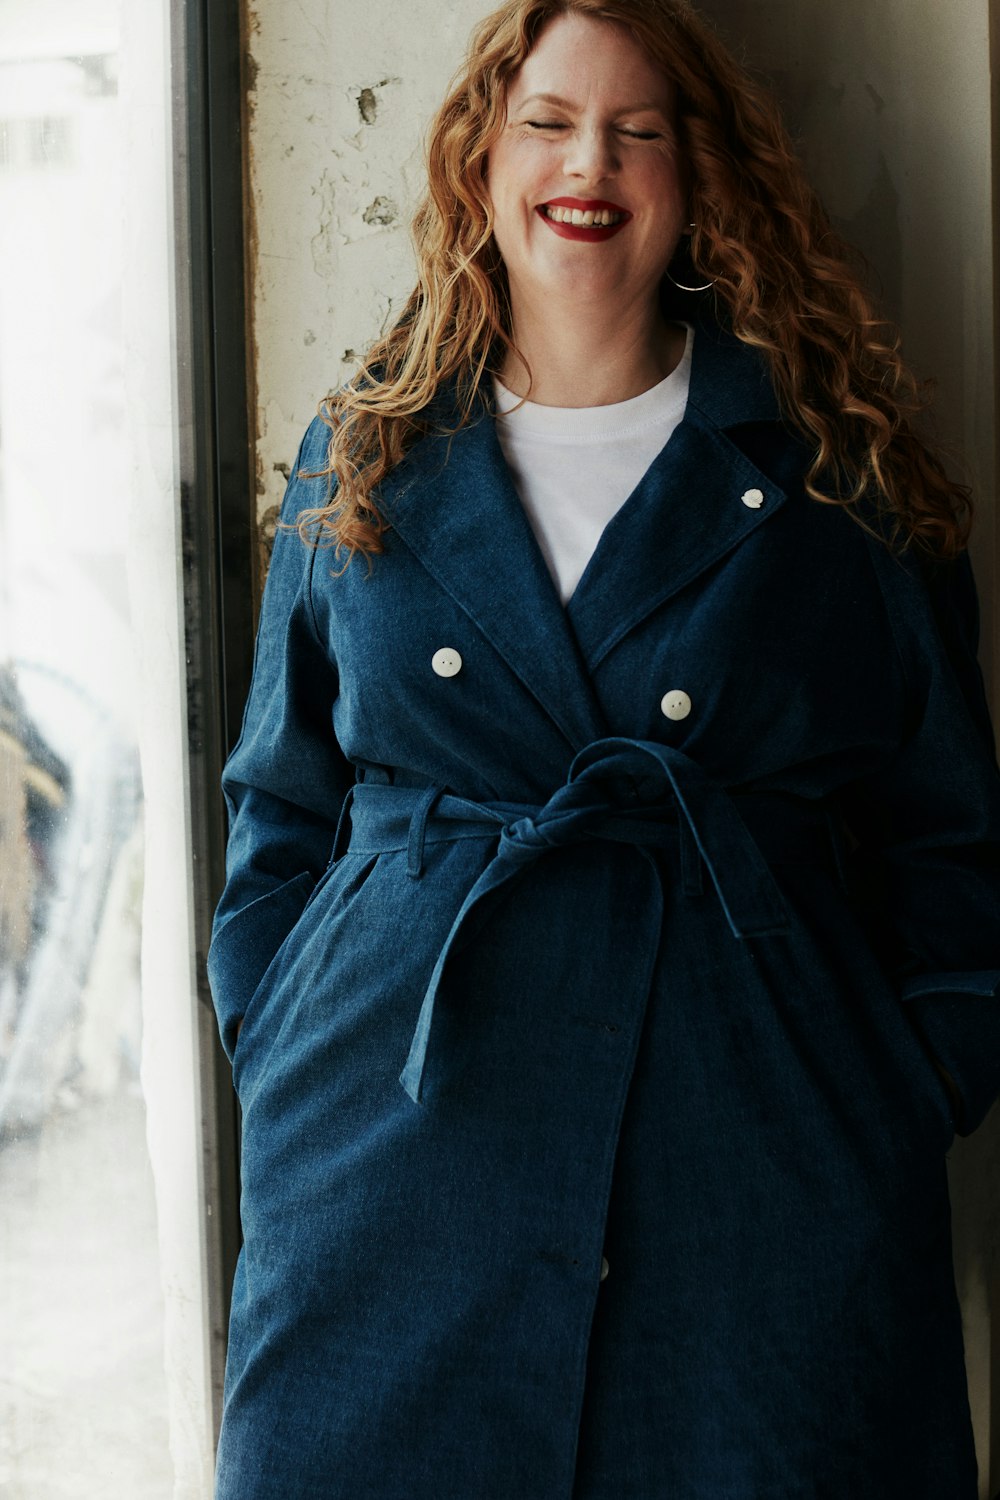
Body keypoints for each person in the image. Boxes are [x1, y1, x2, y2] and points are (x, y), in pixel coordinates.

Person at [207, 1, 1000, 1495]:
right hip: (389, 1168)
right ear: (481, 160)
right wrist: (290, 1040)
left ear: (700, 176)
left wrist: (899, 1087)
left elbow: (948, 836)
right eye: (551, 121)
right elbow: (279, 807)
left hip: (762, 1184)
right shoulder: (365, 453)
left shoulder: (833, 469)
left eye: (642, 129)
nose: (593, 162)